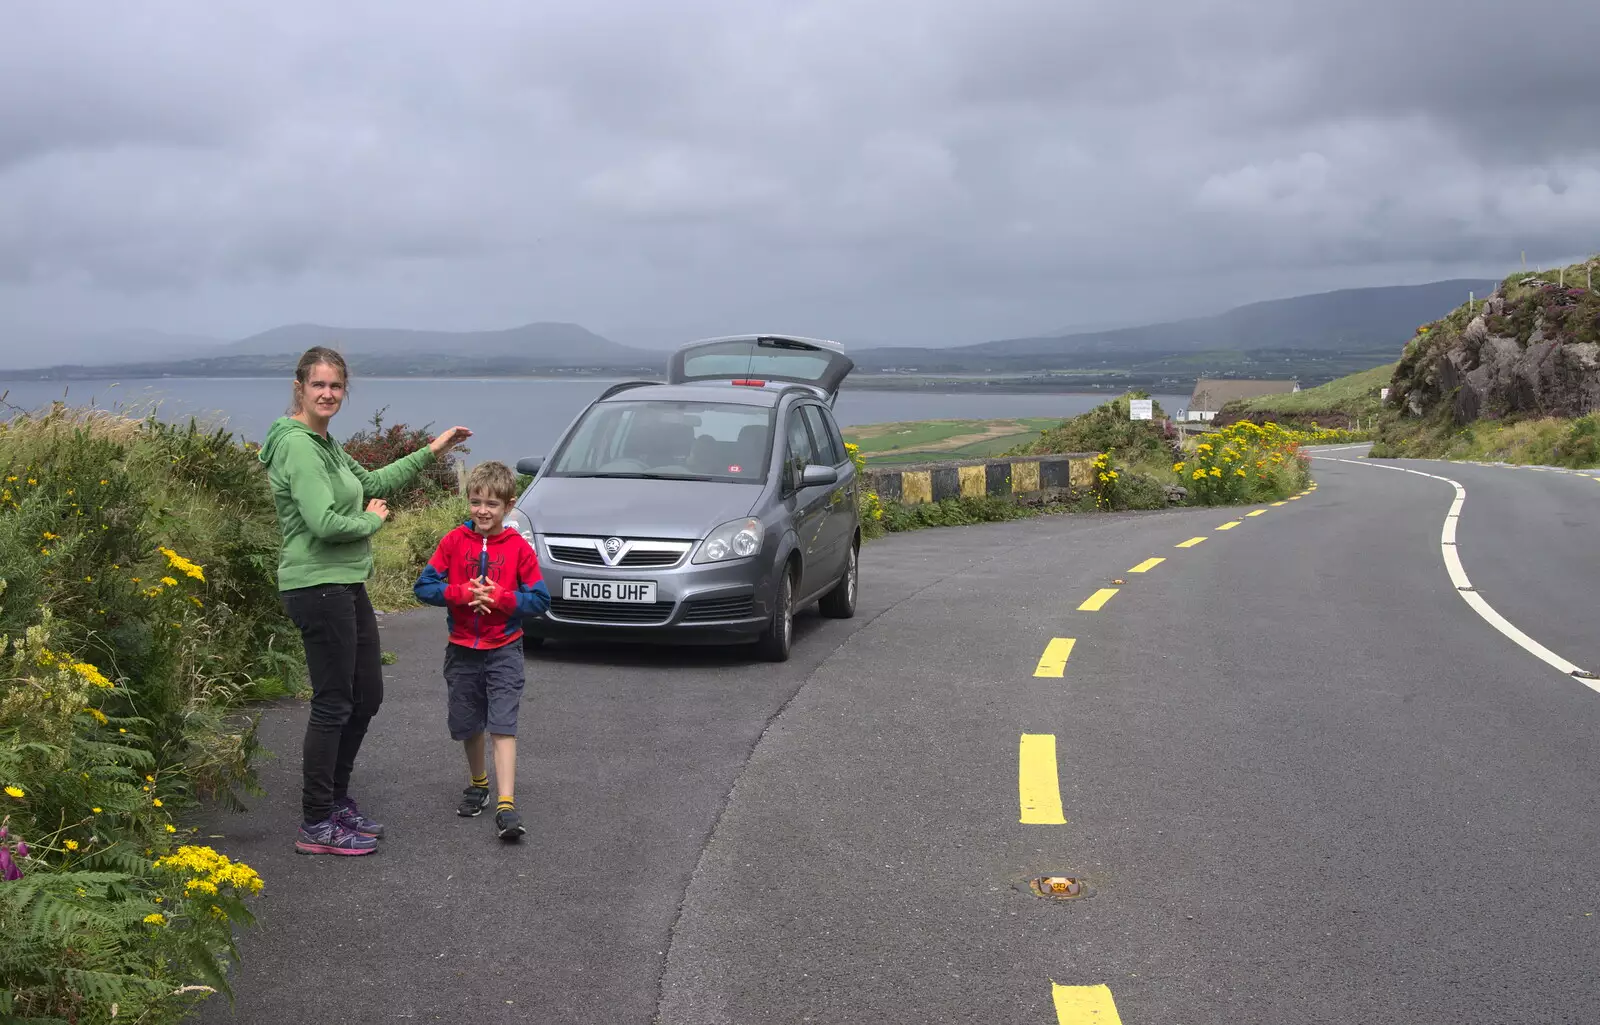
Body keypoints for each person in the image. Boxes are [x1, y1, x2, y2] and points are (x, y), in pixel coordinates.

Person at [259, 345, 471, 856]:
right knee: (333, 702)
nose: (328, 393)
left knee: (366, 695)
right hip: (316, 585)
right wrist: (374, 521)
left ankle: (333, 799)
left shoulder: (325, 444)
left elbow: (371, 482)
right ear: (300, 388)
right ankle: (317, 821)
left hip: (345, 583)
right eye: (319, 385)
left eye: (336, 386)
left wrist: (431, 450)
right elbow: (324, 523)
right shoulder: (298, 447)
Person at [413, 460, 550, 841]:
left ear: (508, 505)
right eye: (476, 502)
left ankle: (506, 804)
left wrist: (502, 599)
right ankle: (479, 783)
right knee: (467, 724)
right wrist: (460, 594)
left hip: (505, 648)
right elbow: (423, 587)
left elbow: (539, 599)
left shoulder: (519, 549)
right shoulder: (453, 542)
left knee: (502, 724)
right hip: (461, 650)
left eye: (492, 504)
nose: (483, 511)